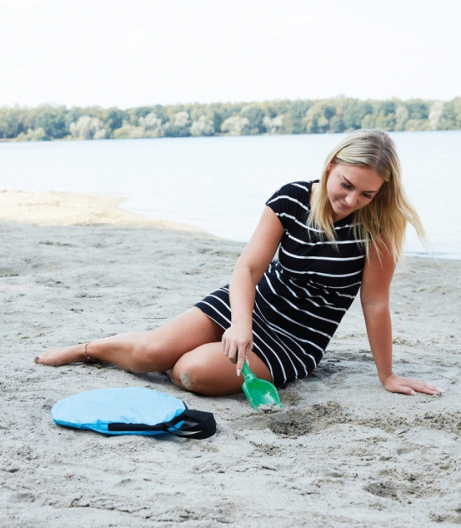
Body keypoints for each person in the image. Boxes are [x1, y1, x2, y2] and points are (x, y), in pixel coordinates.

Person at [35, 129, 441, 398]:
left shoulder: (381, 228)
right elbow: (248, 269)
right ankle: (89, 349)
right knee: (148, 355)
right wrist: (240, 323)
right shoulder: (291, 199)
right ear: (331, 165)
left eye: (367, 194)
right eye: (346, 185)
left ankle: (200, 351)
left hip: (294, 339)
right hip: (246, 307)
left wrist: (386, 375)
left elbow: (374, 303)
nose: (351, 200)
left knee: (189, 373)